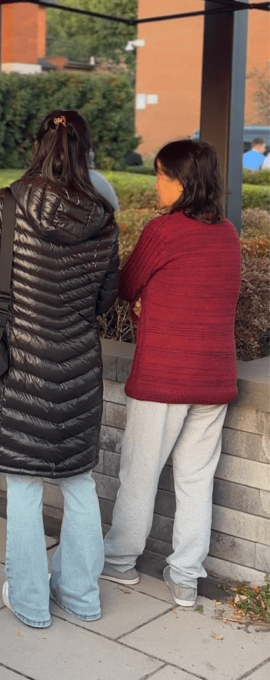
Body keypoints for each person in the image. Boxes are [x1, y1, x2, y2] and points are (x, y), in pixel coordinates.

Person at [0, 109, 119, 630]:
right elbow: (104, 300)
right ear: (85, 151)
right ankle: (82, 596)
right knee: (77, 481)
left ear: (37, 145)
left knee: (24, 486)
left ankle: (30, 603)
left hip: (20, 363)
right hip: (78, 367)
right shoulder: (103, 215)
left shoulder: (6, 204)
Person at [101, 139, 241, 607]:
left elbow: (124, 286)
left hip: (164, 376)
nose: (156, 183)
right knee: (197, 480)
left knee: (139, 473)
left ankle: (119, 563)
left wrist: (144, 305)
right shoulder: (228, 233)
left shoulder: (163, 232)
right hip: (214, 378)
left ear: (182, 181)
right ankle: (185, 577)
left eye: (161, 174)